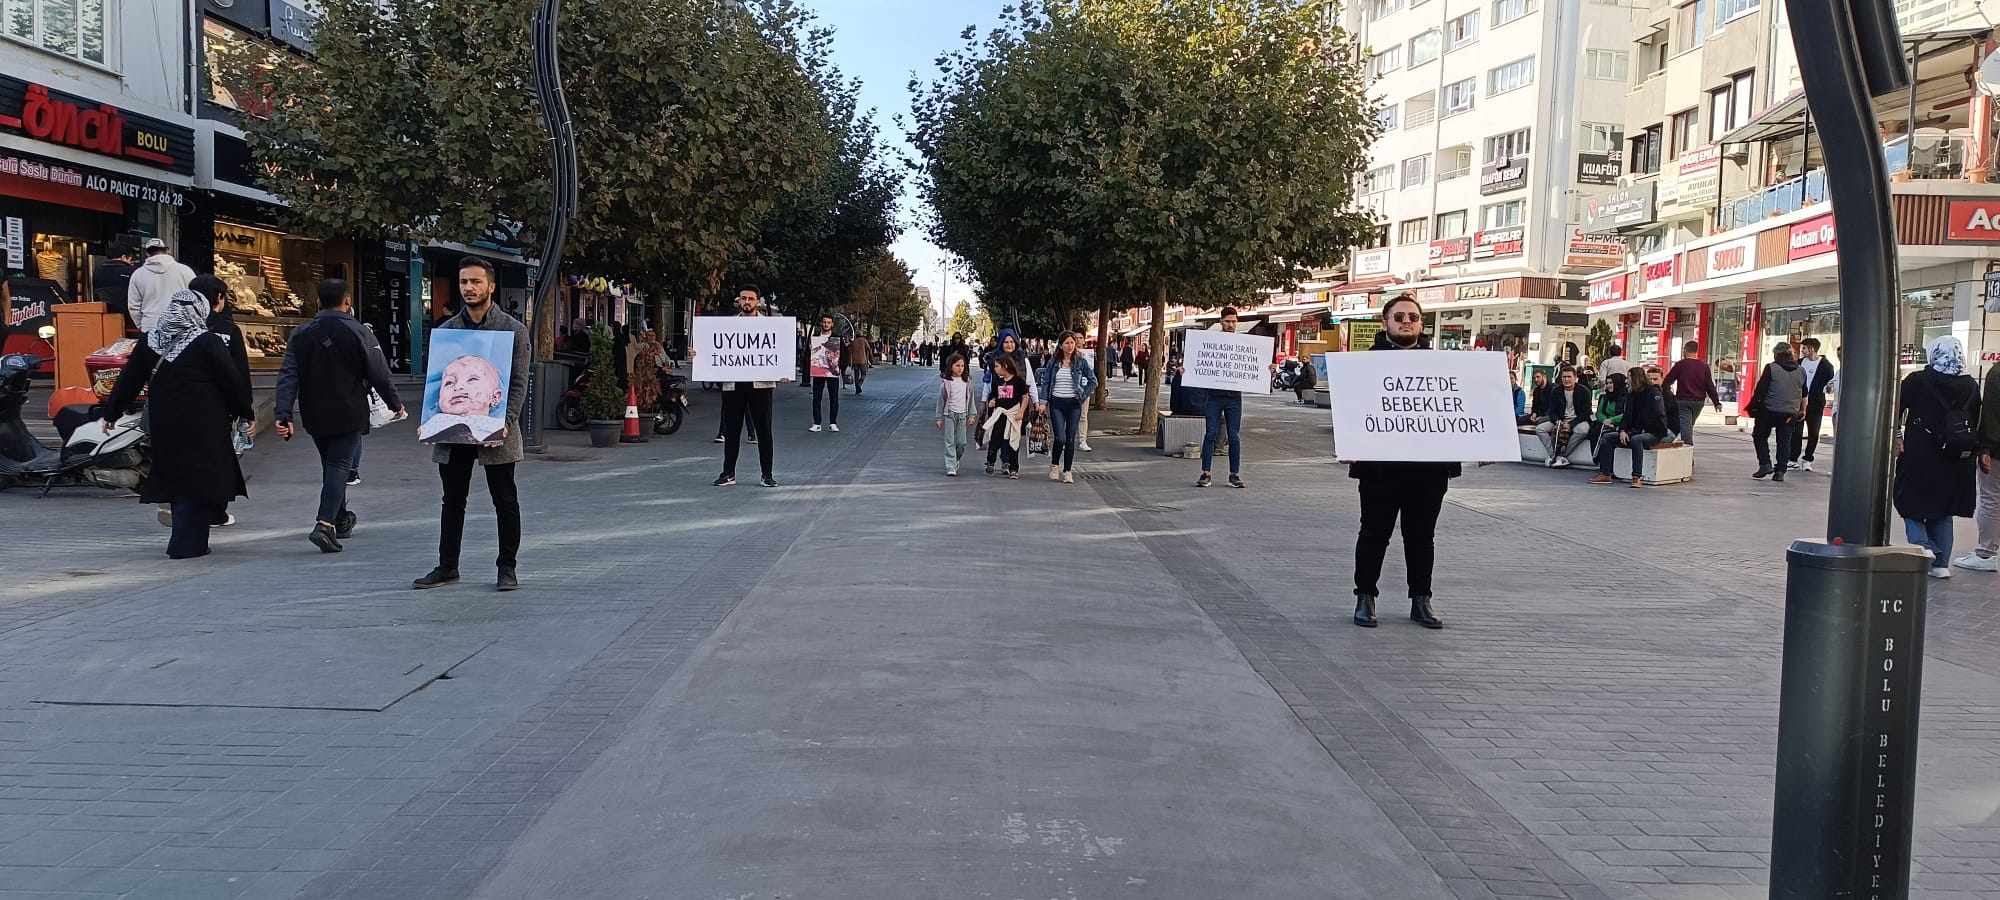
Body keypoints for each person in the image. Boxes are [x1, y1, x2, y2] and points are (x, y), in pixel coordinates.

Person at [101, 290, 253, 559]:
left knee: (177, 478)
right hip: (205, 422)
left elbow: (129, 381)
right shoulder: (207, 341)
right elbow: (232, 382)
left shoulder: (151, 340)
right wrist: (244, 413)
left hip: (164, 421)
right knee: (199, 480)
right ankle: (188, 543)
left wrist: (111, 414)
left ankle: (185, 539)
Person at [414, 257, 530, 591]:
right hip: (453, 433)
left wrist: (505, 423)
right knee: (452, 500)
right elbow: (435, 384)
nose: (469, 288)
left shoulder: (513, 330)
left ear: (491, 286)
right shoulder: (447, 331)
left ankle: (507, 567)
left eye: (476, 282)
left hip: (497, 431)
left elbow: (519, 382)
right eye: (464, 282)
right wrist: (430, 421)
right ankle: (447, 565)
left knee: (505, 500)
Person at [273, 278, 405, 553]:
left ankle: (341, 519)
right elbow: (378, 372)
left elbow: (289, 375)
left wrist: (283, 412)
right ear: (347, 302)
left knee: (332, 465)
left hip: (314, 411)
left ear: (318, 302)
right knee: (339, 465)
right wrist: (395, 404)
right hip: (349, 409)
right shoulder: (359, 331)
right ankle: (324, 524)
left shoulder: (301, 333)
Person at [1349, 294, 1452, 630]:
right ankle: (1365, 596)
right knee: (1374, 533)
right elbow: (1353, 411)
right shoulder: (1365, 365)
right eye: (1399, 317)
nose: (1406, 322)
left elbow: (1457, 411)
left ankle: (1421, 599)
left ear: (1421, 323)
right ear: (1386, 323)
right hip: (1380, 468)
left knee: (1422, 536)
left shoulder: (1441, 367)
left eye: (1413, 317)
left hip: (1429, 467)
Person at [1895, 336, 1981, 579]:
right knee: (1943, 510)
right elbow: (1975, 420)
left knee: (1907, 501)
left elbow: (1894, 408)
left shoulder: (1918, 380)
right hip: (1956, 457)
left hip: (1920, 453)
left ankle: (1923, 545)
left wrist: (1897, 436)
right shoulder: (1971, 385)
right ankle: (1941, 565)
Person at [712, 286, 785, 487]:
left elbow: (780, 351)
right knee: (732, 429)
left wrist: (784, 371)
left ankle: (767, 474)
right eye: (743, 298)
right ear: (738, 301)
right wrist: (697, 355)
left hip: (761, 385)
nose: (747, 302)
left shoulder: (770, 326)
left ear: (758, 301)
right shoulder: (726, 326)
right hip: (733, 383)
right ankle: (728, 473)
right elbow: (713, 348)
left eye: (751, 298)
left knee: (764, 430)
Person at [1196, 306, 1263, 489]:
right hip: (1214, 396)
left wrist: (1268, 369)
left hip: (1234, 397)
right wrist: (1186, 370)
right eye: (1227, 321)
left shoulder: (1244, 344)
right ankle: (1206, 472)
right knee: (1210, 434)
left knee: (1233, 436)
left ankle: (1234, 474)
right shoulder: (1210, 341)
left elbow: (1256, 363)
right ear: (1221, 322)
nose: (1231, 324)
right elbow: (1198, 360)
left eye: (1233, 321)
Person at [1955, 354, 2000, 571]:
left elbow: (1991, 415)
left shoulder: (1997, 373)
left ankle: (1986, 554)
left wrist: (1985, 449)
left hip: (1998, 450)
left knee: (1991, 499)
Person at [1038, 331, 1098, 484]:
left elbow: (1093, 381)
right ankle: (1055, 464)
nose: (1070, 346)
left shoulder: (1080, 361)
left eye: (1072, 342)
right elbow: (1046, 383)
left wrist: (1083, 395)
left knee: (1070, 439)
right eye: (1067, 343)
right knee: (1060, 438)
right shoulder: (1053, 362)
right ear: (1061, 345)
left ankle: (1067, 471)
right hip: (1057, 402)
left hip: (1074, 404)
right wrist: (1043, 402)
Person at [1593, 366, 1667, 487]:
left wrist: (1633, 432)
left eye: (1629, 378)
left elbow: (1656, 415)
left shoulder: (1653, 392)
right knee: (1607, 437)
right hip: (1634, 430)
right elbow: (1626, 416)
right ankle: (1605, 473)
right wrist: (1622, 430)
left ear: (1636, 379)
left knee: (1636, 440)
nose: (1626, 381)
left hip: (1653, 432)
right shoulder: (1631, 394)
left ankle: (1636, 476)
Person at [1750, 342, 1807, 482]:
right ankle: (1780, 471)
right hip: (1790, 413)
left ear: (1776, 354)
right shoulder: (1801, 370)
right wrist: (1802, 410)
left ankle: (1765, 464)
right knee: (1784, 441)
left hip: (1769, 411)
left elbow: (1760, 390)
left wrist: (1755, 407)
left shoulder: (1771, 368)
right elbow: (1804, 393)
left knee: (1759, 435)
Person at [126, 238, 195, 333]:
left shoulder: (138, 274)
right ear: (167, 251)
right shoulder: (185, 270)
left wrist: (141, 325)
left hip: (150, 327)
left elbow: (133, 306)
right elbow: (196, 299)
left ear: (147, 253)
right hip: (180, 326)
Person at [1662, 342, 1721, 445]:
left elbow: (1667, 381)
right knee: (1688, 426)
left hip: (1683, 401)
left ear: (1685, 350)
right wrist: (1716, 402)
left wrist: (1667, 394)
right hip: (1699, 402)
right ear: (1696, 351)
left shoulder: (1680, 365)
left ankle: (1688, 453)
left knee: (1686, 429)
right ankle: (1685, 449)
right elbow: (1710, 386)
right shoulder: (1704, 366)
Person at [1791, 337, 1836, 471]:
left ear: (1811, 349)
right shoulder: (1799, 363)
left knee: (1814, 432)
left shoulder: (1826, 366)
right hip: (1799, 403)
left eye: (1804, 348)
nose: (1802, 351)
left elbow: (1830, 382)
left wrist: (1828, 388)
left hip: (1816, 403)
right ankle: (1793, 459)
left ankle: (1808, 459)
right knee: (1796, 431)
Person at [982, 354, 1030, 478]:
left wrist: (1021, 412)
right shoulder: (998, 381)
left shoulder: (1018, 381)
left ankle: (1013, 467)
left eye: (997, 366)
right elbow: (993, 395)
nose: (995, 368)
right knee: (995, 439)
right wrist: (992, 401)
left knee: (1013, 441)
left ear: (1006, 366)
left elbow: (1025, 397)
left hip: (1013, 415)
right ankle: (990, 462)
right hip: (999, 414)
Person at [1534, 369, 1592, 467]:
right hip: (1560, 419)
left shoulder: (1584, 391)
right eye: (1564, 377)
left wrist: (1571, 424)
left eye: (1569, 377)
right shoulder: (1556, 391)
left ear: (1575, 378)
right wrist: (1557, 421)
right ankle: (1554, 456)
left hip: (1577, 420)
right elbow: (1551, 411)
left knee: (1583, 430)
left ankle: (1561, 455)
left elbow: (1586, 413)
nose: (1566, 379)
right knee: (1540, 429)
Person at [937, 353, 974, 476]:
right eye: (957, 365)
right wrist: (939, 417)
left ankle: (956, 459)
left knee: (961, 442)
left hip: (962, 415)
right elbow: (941, 400)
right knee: (949, 441)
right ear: (951, 366)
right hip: (949, 414)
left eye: (962, 366)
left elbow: (971, 399)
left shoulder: (967, 382)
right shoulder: (946, 383)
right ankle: (950, 465)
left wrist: (972, 415)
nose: (960, 368)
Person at [808, 315, 845, 433]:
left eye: (828, 322)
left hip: (832, 371)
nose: (826, 324)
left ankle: (833, 422)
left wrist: (842, 368)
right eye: (824, 322)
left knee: (833, 397)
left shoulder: (837, 338)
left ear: (832, 324)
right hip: (818, 370)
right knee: (816, 397)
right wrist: (811, 349)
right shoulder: (815, 338)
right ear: (821, 323)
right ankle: (817, 423)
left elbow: (843, 353)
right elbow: (811, 353)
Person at [92, 240, 138, 320]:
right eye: (130, 260)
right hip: (128, 317)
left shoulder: (97, 270)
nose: (131, 263)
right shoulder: (131, 271)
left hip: (103, 315)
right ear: (123, 257)